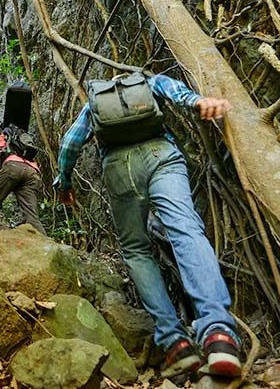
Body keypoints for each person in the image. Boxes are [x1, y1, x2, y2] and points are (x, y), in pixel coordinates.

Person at [54, 71, 241, 379]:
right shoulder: (149, 81)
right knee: (187, 232)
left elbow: (70, 142)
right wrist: (201, 102)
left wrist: (65, 183)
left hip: (118, 166)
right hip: (160, 153)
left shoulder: (95, 101)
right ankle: (218, 334)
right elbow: (179, 93)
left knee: (137, 250)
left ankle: (175, 343)